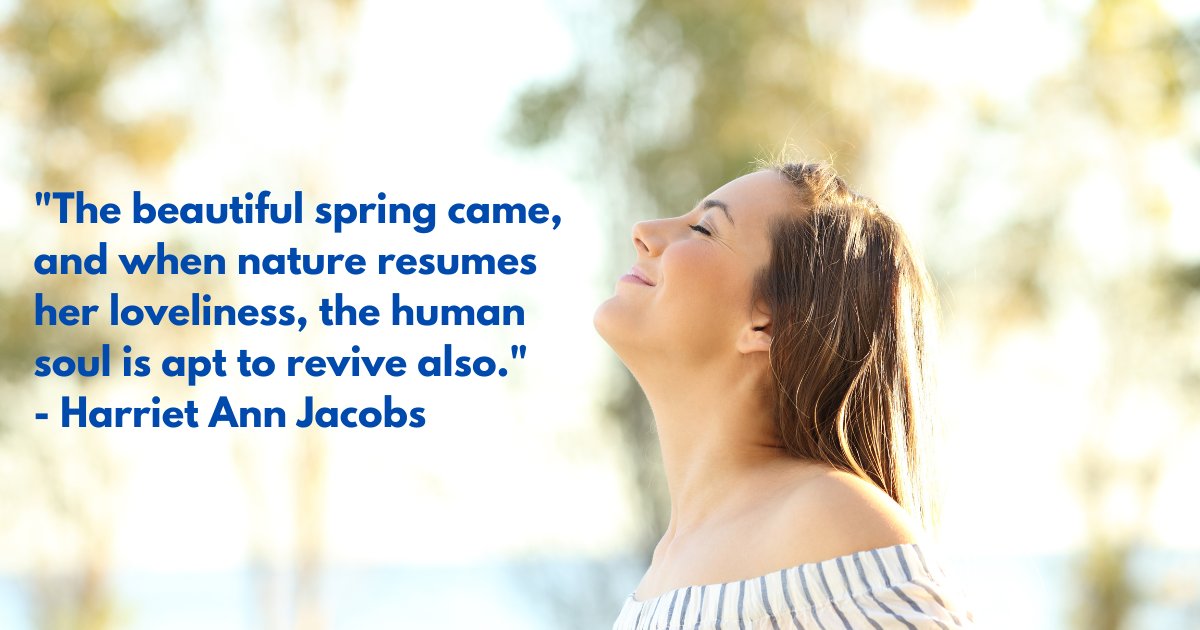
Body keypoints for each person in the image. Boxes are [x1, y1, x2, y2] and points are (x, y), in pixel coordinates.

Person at [595, 162, 974, 629]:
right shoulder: (667, 564)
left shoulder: (828, 524)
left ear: (767, 323)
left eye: (703, 228)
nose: (644, 231)